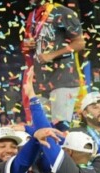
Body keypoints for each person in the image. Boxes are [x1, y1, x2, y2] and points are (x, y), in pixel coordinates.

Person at [23, 0, 85, 128]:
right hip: (40, 83)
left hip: (63, 80)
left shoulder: (64, 12)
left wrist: (52, 55)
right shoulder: (33, 16)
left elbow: (79, 43)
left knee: (60, 128)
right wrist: (28, 44)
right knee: (40, 129)